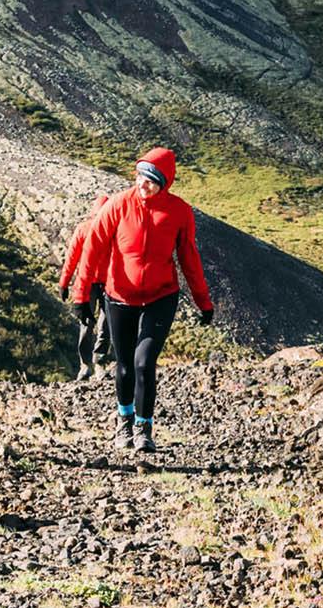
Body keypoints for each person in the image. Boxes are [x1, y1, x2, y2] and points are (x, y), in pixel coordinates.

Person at [72, 148, 213, 453]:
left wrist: (203, 302)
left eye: (151, 180)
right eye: (140, 177)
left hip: (161, 296)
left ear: (165, 183)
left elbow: (189, 257)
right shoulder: (118, 205)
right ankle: (124, 422)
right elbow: (92, 248)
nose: (143, 184)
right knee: (124, 366)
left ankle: (144, 430)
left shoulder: (178, 211)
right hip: (120, 296)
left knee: (144, 363)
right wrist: (80, 294)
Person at [56, 212, 112, 383]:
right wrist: (63, 283)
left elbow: (71, 258)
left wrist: (64, 283)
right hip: (97, 283)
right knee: (102, 323)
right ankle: (95, 364)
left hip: (101, 283)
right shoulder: (90, 229)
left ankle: (89, 365)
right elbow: (72, 257)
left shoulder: (92, 228)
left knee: (90, 324)